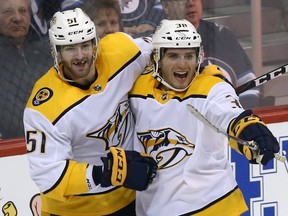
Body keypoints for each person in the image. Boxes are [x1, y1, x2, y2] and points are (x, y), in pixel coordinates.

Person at [129, 19, 280, 215]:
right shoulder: (137, 88)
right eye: (174, 56)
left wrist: (250, 131)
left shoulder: (211, 87)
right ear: (157, 58)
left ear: (199, 57)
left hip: (213, 206)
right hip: (155, 209)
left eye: (189, 56)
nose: (182, 64)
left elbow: (230, 114)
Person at [23, 8, 157, 215]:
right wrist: (104, 172)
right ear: (56, 52)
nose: (80, 56)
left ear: (95, 43)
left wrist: (206, 75)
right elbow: (47, 175)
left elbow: (166, 50)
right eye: (70, 49)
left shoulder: (121, 51)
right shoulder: (44, 107)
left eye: (85, 45)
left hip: (128, 200)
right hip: (75, 210)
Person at [160, 0, 260, 109]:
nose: (191, 3)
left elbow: (248, 83)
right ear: (166, 6)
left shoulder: (222, 35)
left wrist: (238, 114)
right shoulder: (158, 43)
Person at [0, 0, 52, 139]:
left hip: (53, 138)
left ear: (29, 17)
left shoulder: (46, 51)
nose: (17, 18)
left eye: (22, 11)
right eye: (7, 12)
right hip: (9, 145)